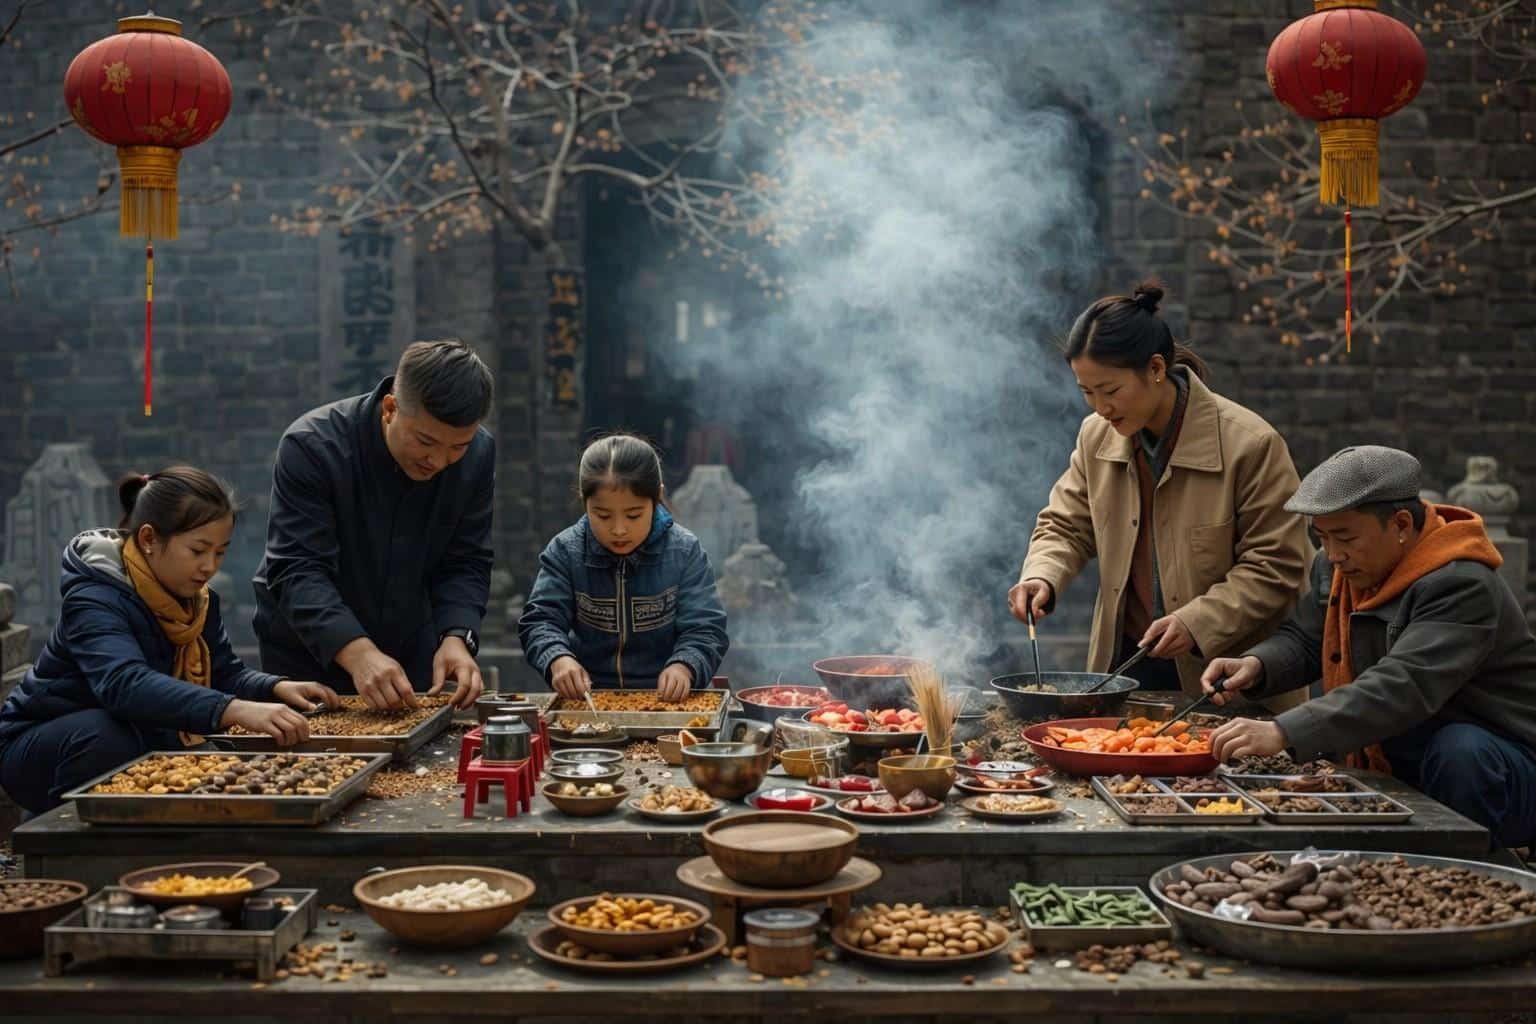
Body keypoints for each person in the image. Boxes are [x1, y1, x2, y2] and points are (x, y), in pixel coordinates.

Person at [1204, 446, 1536, 849]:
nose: (1333, 554)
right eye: (1322, 537)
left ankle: (1473, 862)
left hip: (1502, 764)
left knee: (1461, 750)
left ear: (1400, 524)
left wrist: (1284, 730)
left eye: (1345, 537)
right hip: (1407, 746)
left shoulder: (1460, 583)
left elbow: (1404, 684)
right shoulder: (1338, 568)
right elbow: (1307, 638)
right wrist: (1257, 664)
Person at [1011, 284, 1311, 703]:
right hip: (1123, 669)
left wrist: (1196, 622)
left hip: (1226, 681)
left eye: (1110, 391)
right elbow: (1065, 525)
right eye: (1087, 392)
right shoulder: (1096, 436)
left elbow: (1276, 566)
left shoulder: (1250, 444)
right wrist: (1042, 574)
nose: (1100, 407)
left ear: (1155, 368)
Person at [0, 468, 339, 814]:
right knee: (104, 735)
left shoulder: (199, 600)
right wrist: (234, 709)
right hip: (44, 744)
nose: (209, 566)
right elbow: (123, 683)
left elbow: (223, 674)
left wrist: (275, 688)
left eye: (220, 552)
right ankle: (59, 825)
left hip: (132, 732)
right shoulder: (95, 597)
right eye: (198, 550)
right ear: (149, 539)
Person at [253, 339, 493, 711]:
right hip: (311, 650)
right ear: (390, 408)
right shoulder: (313, 446)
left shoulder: (478, 453)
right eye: (426, 441)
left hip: (409, 646)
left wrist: (456, 636)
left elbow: (466, 559)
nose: (438, 461)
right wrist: (357, 652)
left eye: (457, 447)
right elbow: (297, 567)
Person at [518, 434, 729, 701]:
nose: (619, 530)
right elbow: (541, 620)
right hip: (590, 700)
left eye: (633, 515)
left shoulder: (684, 552)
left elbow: (706, 628)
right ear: (584, 500)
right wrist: (557, 658)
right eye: (603, 515)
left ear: (657, 497)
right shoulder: (566, 551)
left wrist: (685, 666)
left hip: (670, 700)